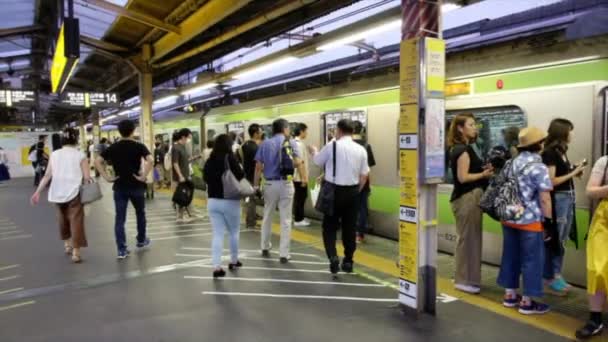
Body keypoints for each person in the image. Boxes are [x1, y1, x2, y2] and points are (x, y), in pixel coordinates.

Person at [498, 126, 554, 315]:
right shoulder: (539, 167)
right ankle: (527, 302)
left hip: (509, 216)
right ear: (539, 144)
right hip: (530, 220)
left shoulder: (510, 163)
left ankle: (510, 296)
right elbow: (545, 198)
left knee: (510, 255)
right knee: (531, 259)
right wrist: (548, 222)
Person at [312, 119, 369, 274]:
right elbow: (364, 175)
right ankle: (348, 261)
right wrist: (356, 191)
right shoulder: (361, 149)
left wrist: (315, 151)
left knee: (329, 227)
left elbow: (317, 161)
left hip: (334, 192)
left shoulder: (332, 145)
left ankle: (333, 258)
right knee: (349, 228)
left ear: (339, 130)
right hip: (352, 192)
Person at [447, 113, 493, 294]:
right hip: (467, 198)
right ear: (460, 128)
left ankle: (464, 277)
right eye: (471, 125)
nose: (475, 128)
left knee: (468, 239)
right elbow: (463, 177)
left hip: (468, 198)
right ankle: (465, 281)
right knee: (469, 241)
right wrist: (484, 175)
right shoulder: (463, 150)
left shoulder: (462, 148)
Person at [95, 120, 153, 259]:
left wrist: (107, 177)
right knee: (140, 214)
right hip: (136, 186)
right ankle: (141, 240)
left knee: (120, 219)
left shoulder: (113, 147)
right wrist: (143, 176)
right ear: (133, 131)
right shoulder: (139, 146)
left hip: (120, 187)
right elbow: (150, 160)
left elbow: (97, 161)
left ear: (119, 131)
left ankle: (121, 250)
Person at [30, 128, 90, 263]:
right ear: (76, 139)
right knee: (76, 221)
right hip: (74, 192)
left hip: (57, 192)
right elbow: (87, 178)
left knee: (62, 219)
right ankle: (76, 253)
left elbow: (47, 175)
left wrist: (37, 192)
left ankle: (67, 244)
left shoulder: (55, 154)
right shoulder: (80, 155)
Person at [542, 118, 586, 295]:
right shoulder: (550, 153)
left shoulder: (562, 152)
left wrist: (574, 169)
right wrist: (573, 173)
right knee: (556, 240)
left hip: (567, 198)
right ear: (562, 133)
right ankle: (550, 277)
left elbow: (561, 174)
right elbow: (551, 182)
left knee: (562, 240)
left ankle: (557, 275)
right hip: (559, 199)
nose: (573, 134)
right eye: (570, 130)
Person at [253, 118, 303, 263]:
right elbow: (298, 162)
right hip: (286, 183)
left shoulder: (265, 143)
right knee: (286, 219)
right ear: (285, 129)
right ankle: (283, 254)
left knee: (267, 215)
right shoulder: (291, 142)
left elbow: (258, 166)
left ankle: (265, 246)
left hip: (269, 184)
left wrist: (256, 185)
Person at [204, 134, 246, 278]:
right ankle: (234, 261)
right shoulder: (230, 158)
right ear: (229, 145)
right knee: (234, 232)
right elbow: (240, 175)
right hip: (230, 201)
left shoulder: (210, 160)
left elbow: (205, 178)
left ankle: (216, 267)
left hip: (213, 202)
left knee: (217, 234)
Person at [575, 155, 608, 339]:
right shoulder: (604, 162)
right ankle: (595, 319)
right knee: (597, 269)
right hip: (604, 221)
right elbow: (590, 191)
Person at [172, 128, 202, 222]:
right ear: (183, 137)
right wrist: (180, 176)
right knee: (181, 196)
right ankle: (179, 217)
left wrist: (195, 157)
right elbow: (175, 163)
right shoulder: (176, 147)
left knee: (186, 196)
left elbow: (184, 161)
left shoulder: (183, 147)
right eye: (189, 138)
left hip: (186, 175)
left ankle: (189, 215)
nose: (189, 140)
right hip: (180, 178)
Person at [353, 120, 376, 242]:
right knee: (362, 208)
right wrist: (369, 185)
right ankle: (359, 235)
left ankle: (348, 231)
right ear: (362, 130)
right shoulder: (366, 146)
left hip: (348, 182)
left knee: (348, 208)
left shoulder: (345, 145)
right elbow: (368, 169)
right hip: (363, 182)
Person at [240, 124, 262, 229]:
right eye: (260, 132)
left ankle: (251, 219)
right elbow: (258, 166)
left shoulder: (245, 145)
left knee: (249, 200)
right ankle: (251, 222)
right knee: (251, 201)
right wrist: (256, 183)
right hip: (252, 178)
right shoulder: (255, 148)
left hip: (245, 176)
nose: (261, 133)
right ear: (255, 133)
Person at [292, 123, 311, 227]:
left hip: (299, 177)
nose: (307, 133)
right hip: (299, 177)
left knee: (300, 197)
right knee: (300, 198)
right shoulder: (298, 144)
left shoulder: (297, 143)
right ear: (301, 131)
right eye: (306, 131)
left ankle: (300, 217)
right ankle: (298, 220)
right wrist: (304, 178)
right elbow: (300, 163)